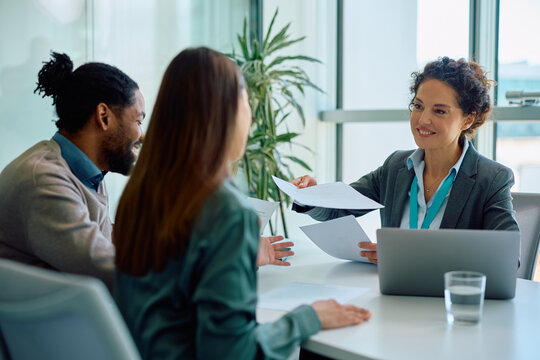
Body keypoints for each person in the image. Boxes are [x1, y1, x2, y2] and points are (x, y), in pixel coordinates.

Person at [113, 47, 371, 359]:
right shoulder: (226, 209)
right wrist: (309, 317)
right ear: (228, 112)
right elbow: (232, 351)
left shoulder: (142, 192)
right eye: (247, 101)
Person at [292, 57, 519, 264]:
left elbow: (507, 259)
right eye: (418, 106)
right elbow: (338, 210)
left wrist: (407, 257)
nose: (423, 119)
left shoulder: (492, 179)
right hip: (394, 294)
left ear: (467, 120)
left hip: (445, 301)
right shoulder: (396, 167)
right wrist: (310, 197)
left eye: (439, 111)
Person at [0, 52, 145, 289]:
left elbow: (103, 240)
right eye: (138, 121)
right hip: (49, 323)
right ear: (103, 116)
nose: (142, 135)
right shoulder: (44, 179)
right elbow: (103, 269)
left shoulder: (88, 174)